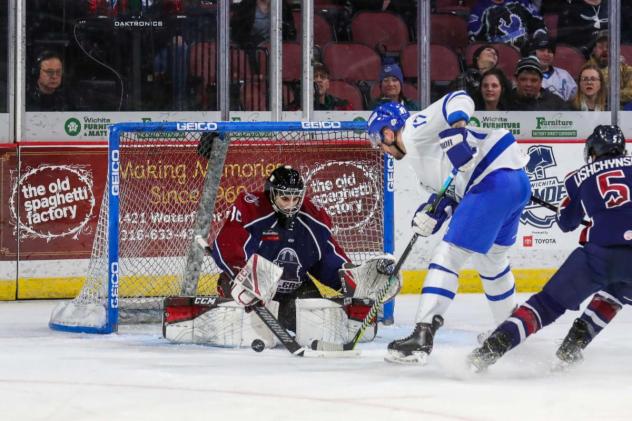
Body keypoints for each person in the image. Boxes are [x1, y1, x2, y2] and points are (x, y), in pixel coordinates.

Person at [367, 92, 531, 364]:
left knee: (448, 256)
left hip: (491, 179)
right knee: (492, 261)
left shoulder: (413, 130)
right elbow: (453, 197)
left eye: (376, 139)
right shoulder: (420, 166)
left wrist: (458, 131)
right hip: (514, 182)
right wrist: (433, 212)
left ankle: (422, 336)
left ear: (387, 132)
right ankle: (510, 331)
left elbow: (459, 98)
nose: (379, 147)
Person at [468, 125, 632, 372]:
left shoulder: (580, 176)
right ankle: (572, 347)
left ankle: (490, 350)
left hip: (599, 255)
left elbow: (567, 223)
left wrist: (563, 211)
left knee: (544, 306)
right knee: (617, 291)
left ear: (593, 152)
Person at [468, 0, 547, 52]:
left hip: (526, 54)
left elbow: (538, 23)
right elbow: (474, 39)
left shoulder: (520, 2)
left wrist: (539, 38)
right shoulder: (480, 9)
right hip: (497, 57)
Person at [524, 36, 577, 102]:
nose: (546, 54)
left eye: (550, 51)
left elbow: (575, 101)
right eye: (542, 50)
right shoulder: (524, 76)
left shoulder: (564, 75)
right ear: (534, 53)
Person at [586, 31, 632, 106]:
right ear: (594, 50)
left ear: (617, 50)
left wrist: (607, 94)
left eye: (609, 46)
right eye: (600, 47)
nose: (605, 50)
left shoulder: (626, 69)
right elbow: (584, 94)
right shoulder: (585, 70)